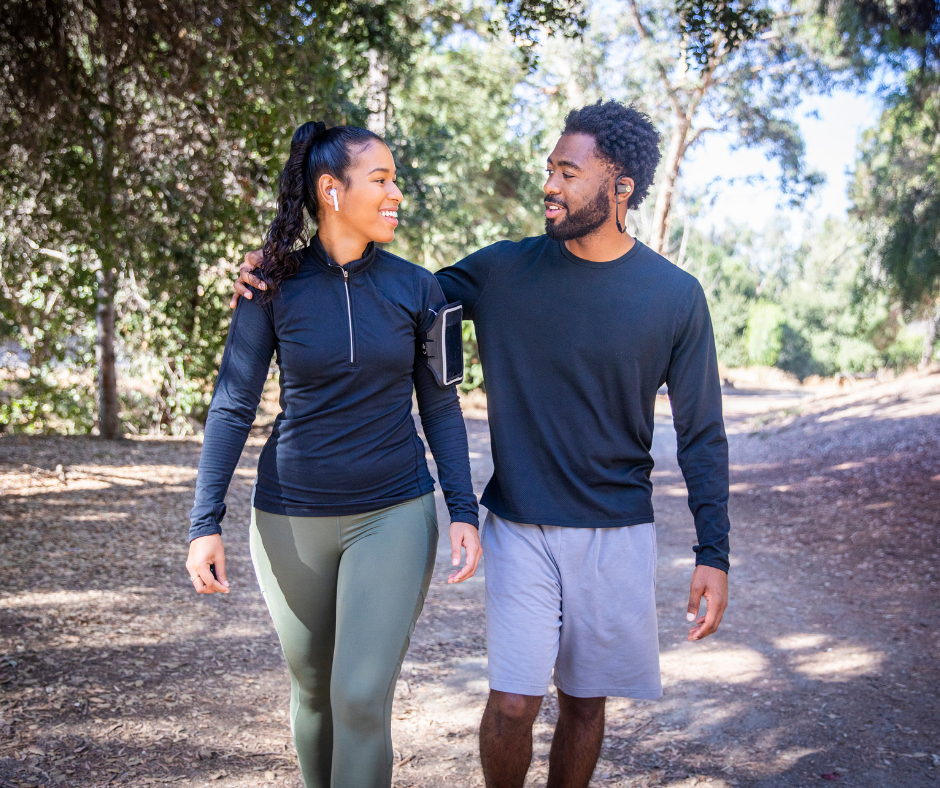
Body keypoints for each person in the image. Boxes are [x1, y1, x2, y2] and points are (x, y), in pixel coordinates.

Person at [233, 101, 730, 788]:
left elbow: (703, 431)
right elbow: (396, 290)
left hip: (618, 528)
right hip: (519, 522)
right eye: (549, 169)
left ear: (621, 189)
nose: (550, 185)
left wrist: (714, 550)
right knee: (515, 701)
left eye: (568, 172)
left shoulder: (675, 296)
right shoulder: (499, 271)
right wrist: (289, 266)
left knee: (585, 702)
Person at [187, 120, 481, 788]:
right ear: (330, 190)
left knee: (358, 696)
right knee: (313, 694)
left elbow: (441, 405)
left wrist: (462, 508)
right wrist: (205, 522)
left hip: (393, 514)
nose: (395, 193)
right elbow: (233, 402)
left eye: (395, 180)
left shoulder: (423, 290)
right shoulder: (270, 285)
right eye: (381, 179)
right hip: (288, 521)